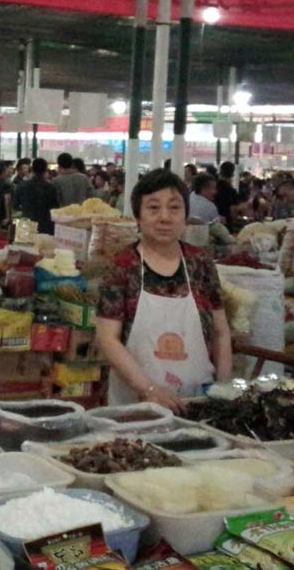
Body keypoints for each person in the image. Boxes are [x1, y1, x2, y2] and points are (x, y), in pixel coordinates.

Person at [96, 169, 232, 412]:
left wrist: (223, 390)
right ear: (138, 216)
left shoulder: (200, 262)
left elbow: (221, 332)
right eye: (153, 208)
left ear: (185, 215)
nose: (165, 218)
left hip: (198, 401)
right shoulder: (123, 265)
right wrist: (148, 389)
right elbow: (108, 338)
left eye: (174, 208)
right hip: (137, 405)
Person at [15, 157, 59, 235]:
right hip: (46, 225)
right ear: (45, 170)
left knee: (26, 246)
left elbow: (15, 205)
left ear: (31, 169)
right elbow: (55, 207)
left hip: (26, 224)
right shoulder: (51, 187)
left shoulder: (22, 186)